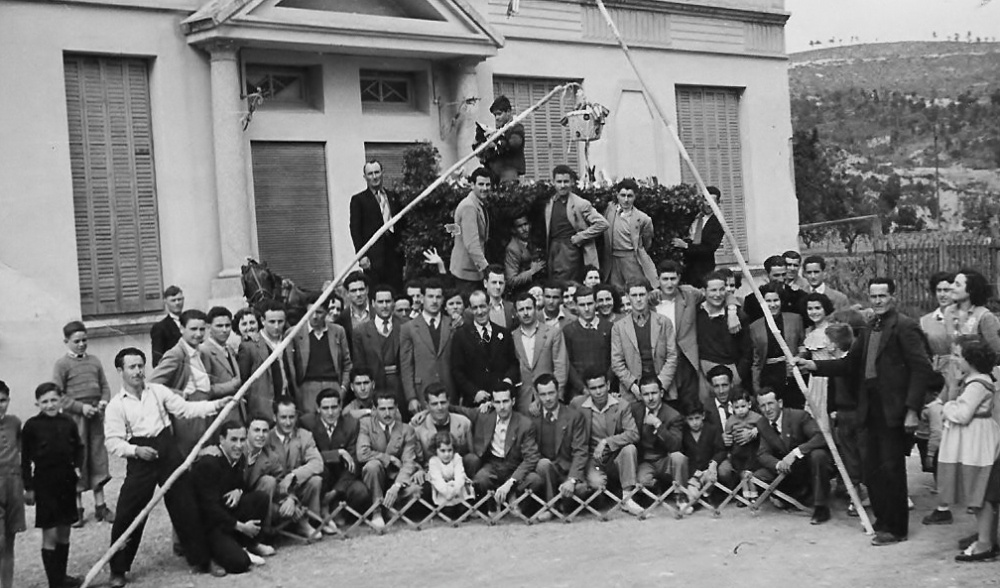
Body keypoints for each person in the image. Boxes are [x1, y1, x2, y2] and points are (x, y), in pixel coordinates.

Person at [802, 277, 934, 546]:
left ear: (892, 297)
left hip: (893, 411)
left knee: (891, 470)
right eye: (873, 297)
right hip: (868, 410)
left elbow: (921, 371)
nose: (877, 301)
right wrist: (814, 366)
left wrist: (911, 410)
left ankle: (897, 528)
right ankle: (883, 520)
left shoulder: (905, 327)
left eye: (883, 296)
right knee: (872, 469)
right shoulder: (870, 326)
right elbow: (849, 364)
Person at [104, 347, 227, 587]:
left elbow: (186, 409)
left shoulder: (158, 392)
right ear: (120, 371)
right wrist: (135, 451)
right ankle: (118, 569)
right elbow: (112, 441)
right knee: (129, 514)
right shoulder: (116, 406)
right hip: (140, 460)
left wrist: (218, 404)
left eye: (141, 366)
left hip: (168, 453)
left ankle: (202, 560)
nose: (138, 371)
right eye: (132, 367)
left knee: (187, 506)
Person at [929, 337, 1000, 561]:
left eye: (958, 355)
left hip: (977, 443)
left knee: (980, 493)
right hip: (973, 440)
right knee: (979, 492)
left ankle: (985, 543)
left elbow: (962, 413)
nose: (954, 360)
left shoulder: (977, 384)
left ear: (972, 360)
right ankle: (986, 536)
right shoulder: (973, 380)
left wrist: (947, 403)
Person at [191, 420, 274, 576]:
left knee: (260, 498)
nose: (239, 445)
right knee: (240, 563)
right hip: (210, 525)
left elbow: (243, 485)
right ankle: (217, 554)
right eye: (234, 440)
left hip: (227, 515)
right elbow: (209, 508)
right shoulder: (209, 463)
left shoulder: (239, 458)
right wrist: (241, 526)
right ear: (222, 440)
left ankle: (249, 544)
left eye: (242, 440)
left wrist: (239, 490)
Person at [51, 321, 113, 527]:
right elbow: (57, 395)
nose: (81, 344)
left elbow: (104, 385)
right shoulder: (62, 365)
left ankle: (101, 506)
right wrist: (80, 408)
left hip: (95, 417)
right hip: (74, 420)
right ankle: (76, 510)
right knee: (76, 459)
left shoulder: (94, 361)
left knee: (97, 456)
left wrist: (103, 402)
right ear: (66, 342)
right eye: (76, 341)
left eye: (84, 340)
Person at [22, 382, 83, 588]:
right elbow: (25, 460)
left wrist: (78, 468)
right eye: (45, 401)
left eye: (53, 400)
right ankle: (54, 582)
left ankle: (62, 576)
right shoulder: (31, 426)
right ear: (37, 403)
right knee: (50, 532)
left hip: (66, 481)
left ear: (61, 400)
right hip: (44, 483)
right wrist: (28, 487)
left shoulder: (68, 422)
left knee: (65, 530)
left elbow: (79, 448)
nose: (50, 405)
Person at [455, 383, 543, 511]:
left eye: (505, 401)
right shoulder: (484, 415)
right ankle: (492, 506)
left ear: (513, 401)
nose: (502, 407)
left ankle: (516, 499)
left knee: (535, 480)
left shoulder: (525, 424)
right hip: (493, 465)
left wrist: (510, 482)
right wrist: (425, 412)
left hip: (515, 465)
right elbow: (454, 409)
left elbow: (531, 458)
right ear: (492, 403)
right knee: (481, 478)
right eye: (498, 402)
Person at [570, 369, 643, 515]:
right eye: (593, 388)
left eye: (601, 386)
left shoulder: (622, 405)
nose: (598, 392)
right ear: (587, 390)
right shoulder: (577, 404)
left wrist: (607, 441)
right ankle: (603, 497)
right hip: (592, 460)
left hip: (615, 457)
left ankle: (627, 498)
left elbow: (633, 433)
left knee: (630, 449)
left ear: (608, 385)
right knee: (597, 485)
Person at [754, 388, 831, 525]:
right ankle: (797, 495)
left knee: (818, 455)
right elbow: (762, 453)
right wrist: (778, 464)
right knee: (760, 475)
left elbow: (821, 437)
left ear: (780, 403)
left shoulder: (799, 416)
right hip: (788, 470)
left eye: (770, 404)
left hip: (808, 465)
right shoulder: (762, 424)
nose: (767, 409)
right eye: (763, 405)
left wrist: (795, 453)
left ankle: (821, 507)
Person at [149, 309, 216, 456]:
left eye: (202, 329)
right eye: (193, 329)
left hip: (204, 413)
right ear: (181, 329)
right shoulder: (176, 354)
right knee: (189, 458)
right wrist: (182, 395)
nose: (198, 334)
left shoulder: (202, 353)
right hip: (187, 418)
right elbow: (152, 385)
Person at [299, 388, 369, 526]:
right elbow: (306, 457)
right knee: (319, 471)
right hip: (321, 476)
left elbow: (354, 461)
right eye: (325, 408)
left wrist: (336, 492)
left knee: (361, 492)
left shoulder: (351, 425)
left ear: (340, 407)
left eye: (334, 407)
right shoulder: (307, 423)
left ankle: (340, 510)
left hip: (342, 478)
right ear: (318, 409)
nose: (330, 413)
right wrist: (337, 453)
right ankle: (319, 515)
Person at [357, 393, 422, 528]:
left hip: (395, 479)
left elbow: (408, 462)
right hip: (374, 479)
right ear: (374, 409)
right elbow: (362, 454)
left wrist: (397, 486)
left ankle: (392, 508)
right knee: (372, 466)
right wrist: (388, 458)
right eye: (382, 409)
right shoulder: (366, 424)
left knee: (416, 489)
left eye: (391, 408)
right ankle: (377, 512)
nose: (387, 413)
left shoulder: (406, 430)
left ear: (397, 408)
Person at [267, 398, 325, 541]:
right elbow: (266, 478)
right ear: (274, 417)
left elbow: (318, 463)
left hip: (296, 489)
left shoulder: (304, 435)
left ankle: (310, 521)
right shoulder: (266, 438)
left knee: (315, 480)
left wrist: (293, 475)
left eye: (292, 417)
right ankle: (274, 528)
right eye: (283, 417)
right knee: (267, 482)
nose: (288, 422)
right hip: (276, 495)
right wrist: (289, 499)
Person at [611, 279, 678, 403]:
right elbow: (617, 362)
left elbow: (672, 356)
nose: (638, 299)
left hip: (663, 390)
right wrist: (633, 387)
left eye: (642, 294)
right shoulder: (619, 327)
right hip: (633, 392)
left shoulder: (664, 322)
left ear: (648, 295)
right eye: (634, 295)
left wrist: (660, 387)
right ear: (627, 297)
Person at [823, 323, 866, 517]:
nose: (825, 345)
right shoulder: (835, 365)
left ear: (834, 344)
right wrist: (832, 410)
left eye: (827, 341)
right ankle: (855, 494)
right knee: (848, 456)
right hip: (841, 416)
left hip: (852, 415)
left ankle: (859, 494)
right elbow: (831, 393)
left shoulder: (850, 365)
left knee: (857, 457)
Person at [532, 374, 588, 521]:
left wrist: (572, 479)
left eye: (551, 393)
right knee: (544, 464)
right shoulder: (533, 417)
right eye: (543, 394)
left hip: (566, 472)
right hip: (542, 472)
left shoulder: (574, 416)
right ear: (537, 396)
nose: (548, 398)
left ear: (558, 392)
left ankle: (562, 503)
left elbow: (580, 451)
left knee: (582, 490)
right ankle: (552, 508)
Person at [451, 290, 520, 407]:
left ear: (489, 306)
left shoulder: (504, 333)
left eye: (482, 306)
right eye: (475, 308)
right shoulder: (460, 336)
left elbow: (513, 363)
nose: (479, 312)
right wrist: (474, 392)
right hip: (475, 402)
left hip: (502, 401)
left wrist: (508, 381)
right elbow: (457, 371)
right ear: (470, 310)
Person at [542, 165, 608, 282]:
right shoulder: (549, 202)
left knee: (567, 283)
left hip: (570, 251)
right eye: (559, 182)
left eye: (566, 181)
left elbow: (602, 224)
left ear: (572, 182)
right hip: (553, 249)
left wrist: (581, 237)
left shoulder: (580, 203)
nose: (563, 185)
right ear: (553, 182)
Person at [352, 284, 409, 416]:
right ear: (372, 303)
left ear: (393, 303)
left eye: (388, 301)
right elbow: (360, 365)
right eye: (380, 302)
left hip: (401, 387)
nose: (384, 306)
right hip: (375, 389)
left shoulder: (406, 326)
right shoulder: (361, 331)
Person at [292, 293, 352, 414]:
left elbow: (347, 363)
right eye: (310, 312)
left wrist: (343, 389)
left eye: (319, 312)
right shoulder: (295, 333)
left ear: (326, 312)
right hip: (307, 389)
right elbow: (291, 367)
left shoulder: (338, 331)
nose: (314, 317)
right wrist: (298, 393)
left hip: (333, 386)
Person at [400, 281, 456, 410]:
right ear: (422, 298)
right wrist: (411, 397)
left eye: (438, 297)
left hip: (449, 390)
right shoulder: (409, 327)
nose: (434, 301)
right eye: (430, 296)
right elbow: (406, 366)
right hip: (422, 390)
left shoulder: (452, 324)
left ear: (443, 299)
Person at [350, 160, 404, 292]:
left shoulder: (394, 197)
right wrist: (361, 256)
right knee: (377, 295)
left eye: (377, 172)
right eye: (370, 174)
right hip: (373, 260)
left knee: (396, 293)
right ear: (365, 177)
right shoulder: (359, 200)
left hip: (395, 258)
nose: (374, 177)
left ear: (382, 173)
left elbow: (402, 227)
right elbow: (355, 230)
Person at [749, 283, 805, 409]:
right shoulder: (755, 327)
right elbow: (756, 361)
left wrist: (799, 357)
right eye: (768, 301)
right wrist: (756, 387)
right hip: (768, 375)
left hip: (791, 374)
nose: (773, 305)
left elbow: (803, 345)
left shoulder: (795, 319)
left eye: (776, 300)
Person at [629, 377, 686, 498]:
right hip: (645, 461)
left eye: (654, 393)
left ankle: (681, 497)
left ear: (661, 393)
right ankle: (656, 487)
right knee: (641, 483)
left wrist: (658, 425)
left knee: (679, 457)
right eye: (646, 394)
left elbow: (676, 445)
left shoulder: (673, 415)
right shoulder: (634, 410)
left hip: (665, 459)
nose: (650, 398)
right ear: (641, 395)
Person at [511, 292, 567, 413]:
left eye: (529, 308)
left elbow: (560, 367)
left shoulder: (553, 333)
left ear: (536, 309)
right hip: (523, 399)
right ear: (516, 313)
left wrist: (556, 396)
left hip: (549, 397)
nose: (525, 313)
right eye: (521, 309)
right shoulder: (512, 337)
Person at [696, 272, 751, 393]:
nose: (718, 294)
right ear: (704, 291)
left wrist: (738, 376)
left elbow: (747, 351)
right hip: (703, 374)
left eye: (721, 290)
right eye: (713, 290)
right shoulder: (696, 313)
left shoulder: (738, 316)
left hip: (731, 372)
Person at [600, 179, 658, 290]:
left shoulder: (643, 219)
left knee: (635, 288)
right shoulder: (610, 210)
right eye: (623, 195)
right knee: (616, 290)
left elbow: (647, 241)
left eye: (629, 196)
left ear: (635, 196)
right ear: (617, 195)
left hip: (631, 258)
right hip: (612, 259)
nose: (626, 200)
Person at [562, 287, 614, 400]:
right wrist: (582, 388)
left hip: (606, 389)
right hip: (579, 392)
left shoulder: (609, 328)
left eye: (590, 304)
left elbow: (614, 359)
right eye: (582, 305)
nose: (586, 309)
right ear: (575, 305)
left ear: (595, 303)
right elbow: (567, 363)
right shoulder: (568, 331)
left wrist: (606, 385)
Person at [449, 167, 494, 290]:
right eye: (481, 184)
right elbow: (471, 243)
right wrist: (486, 268)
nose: (485, 188)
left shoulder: (476, 204)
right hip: (467, 273)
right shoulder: (469, 207)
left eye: (487, 184)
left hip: (471, 270)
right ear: (472, 185)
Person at [672, 186, 724, 288]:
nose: (708, 204)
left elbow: (709, 248)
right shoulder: (692, 215)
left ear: (718, 203)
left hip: (702, 270)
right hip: (684, 266)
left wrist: (686, 246)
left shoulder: (719, 224)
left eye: (712, 202)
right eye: (706, 200)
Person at [411, 384, 474, 465]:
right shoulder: (417, 428)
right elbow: (416, 460)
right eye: (434, 404)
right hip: (431, 470)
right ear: (427, 405)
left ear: (448, 402)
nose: (440, 407)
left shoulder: (464, 422)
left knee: (473, 459)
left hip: (459, 467)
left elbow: (471, 453)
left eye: (443, 402)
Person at [0, 381, 24, 588]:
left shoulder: (14, 423)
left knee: (9, 541)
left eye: (2, 400)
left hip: (13, 485)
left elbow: (23, 453)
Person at [679, 404, 725, 511]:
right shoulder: (684, 433)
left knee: (710, 479)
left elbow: (721, 450)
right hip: (693, 475)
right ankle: (697, 498)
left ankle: (709, 495)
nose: (694, 422)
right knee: (692, 498)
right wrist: (692, 474)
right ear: (686, 419)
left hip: (708, 470)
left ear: (703, 416)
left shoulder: (712, 430)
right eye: (690, 419)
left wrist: (713, 463)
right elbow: (683, 455)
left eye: (697, 418)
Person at [201, 307, 243, 423]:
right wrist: (232, 385)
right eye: (219, 326)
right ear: (209, 327)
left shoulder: (229, 349)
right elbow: (204, 390)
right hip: (219, 415)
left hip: (237, 412)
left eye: (227, 325)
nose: (224, 330)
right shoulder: (204, 351)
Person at [720, 390, 762, 500]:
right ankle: (744, 495)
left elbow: (765, 427)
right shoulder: (731, 420)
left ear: (749, 404)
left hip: (752, 449)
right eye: (737, 407)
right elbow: (727, 435)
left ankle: (754, 494)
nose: (740, 410)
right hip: (737, 450)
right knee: (741, 472)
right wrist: (727, 439)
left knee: (750, 471)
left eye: (743, 406)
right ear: (732, 408)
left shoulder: (756, 417)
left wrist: (756, 430)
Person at [801, 292, 836, 418]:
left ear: (825, 309)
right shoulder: (810, 332)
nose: (813, 312)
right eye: (810, 309)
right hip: (814, 379)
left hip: (829, 378)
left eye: (817, 308)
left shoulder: (832, 331)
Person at [483, 95, 526, 182]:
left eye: (499, 114)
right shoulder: (499, 130)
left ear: (509, 112)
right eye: (495, 115)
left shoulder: (516, 127)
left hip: (509, 174)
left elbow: (514, 143)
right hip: (494, 175)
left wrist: (496, 142)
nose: (496, 118)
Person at [427, 432, 472, 508]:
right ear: (435, 450)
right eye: (443, 451)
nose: (447, 454)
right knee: (448, 510)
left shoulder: (456, 458)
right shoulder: (434, 461)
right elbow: (437, 480)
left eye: (450, 450)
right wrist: (447, 492)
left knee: (462, 508)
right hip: (443, 492)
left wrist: (454, 490)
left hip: (457, 490)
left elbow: (460, 476)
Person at [505, 215, 545, 295]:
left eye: (525, 224)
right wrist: (532, 271)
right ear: (514, 230)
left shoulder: (533, 241)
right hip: (523, 292)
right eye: (520, 226)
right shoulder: (513, 249)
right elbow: (511, 280)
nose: (524, 229)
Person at [337, 271, 373, 352]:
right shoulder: (342, 318)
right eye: (353, 291)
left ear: (367, 290)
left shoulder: (377, 314)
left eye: (361, 289)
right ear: (347, 293)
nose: (358, 294)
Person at [150, 285, 184, 367]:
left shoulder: (191, 321)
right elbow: (157, 360)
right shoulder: (160, 327)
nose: (177, 303)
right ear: (165, 302)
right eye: (173, 300)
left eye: (179, 299)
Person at [480, 264, 517, 329]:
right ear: (485, 283)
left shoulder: (512, 308)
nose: (498, 287)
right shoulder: (476, 309)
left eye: (501, 283)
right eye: (494, 282)